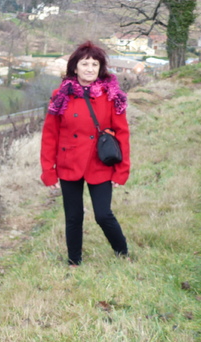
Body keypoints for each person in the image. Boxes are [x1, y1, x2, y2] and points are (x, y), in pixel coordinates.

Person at [40, 41, 131, 266]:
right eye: (85, 64)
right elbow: (50, 134)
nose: (90, 69)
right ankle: (74, 261)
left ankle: (122, 252)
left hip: (99, 162)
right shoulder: (60, 95)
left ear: (101, 69)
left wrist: (122, 171)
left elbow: (122, 134)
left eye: (95, 64)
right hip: (68, 162)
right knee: (73, 217)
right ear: (75, 67)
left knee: (103, 214)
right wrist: (48, 170)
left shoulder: (111, 96)